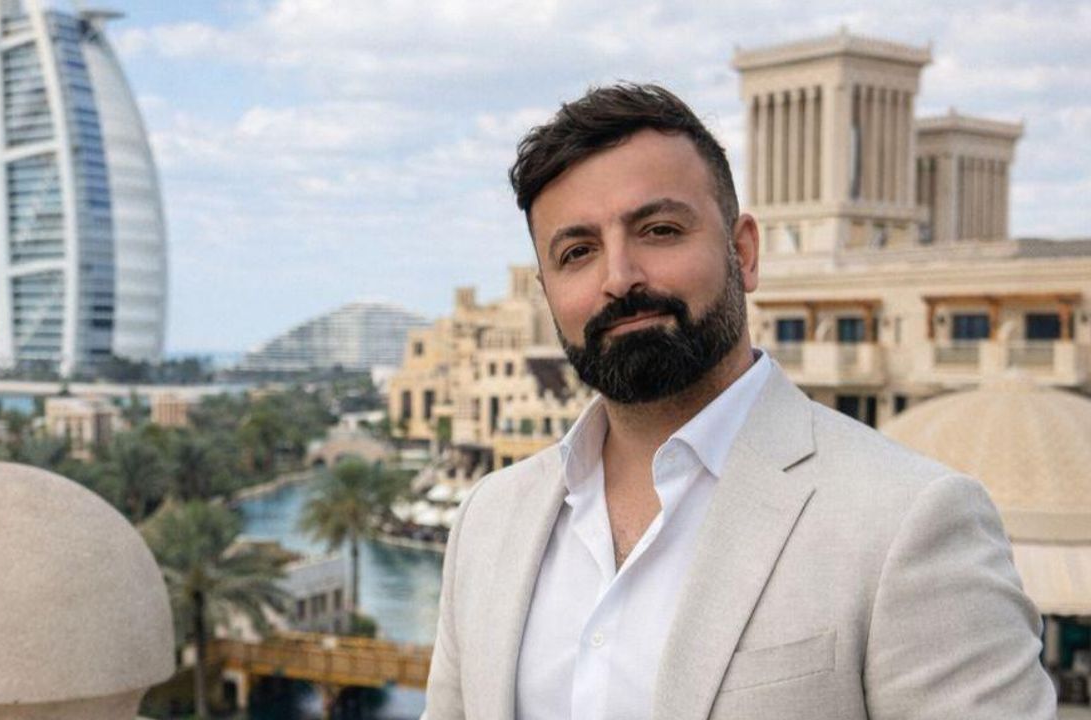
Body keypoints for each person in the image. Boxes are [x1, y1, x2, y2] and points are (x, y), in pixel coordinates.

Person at [421, 83, 1054, 720]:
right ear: (548, 291)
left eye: (659, 230)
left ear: (743, 252)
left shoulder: (908, 520)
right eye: (577, 252)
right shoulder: (489, 521)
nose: (619, 278)